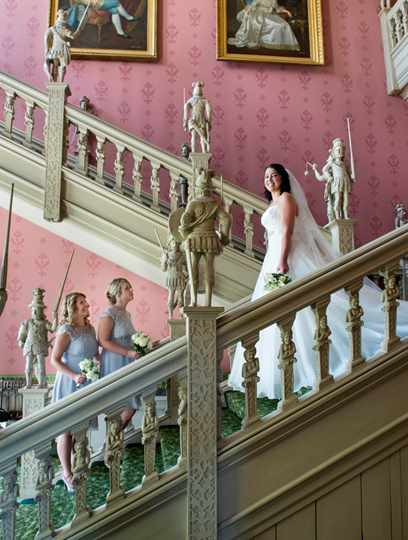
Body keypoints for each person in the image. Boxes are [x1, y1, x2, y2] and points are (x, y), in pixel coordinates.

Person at [228, 164, 408, 399]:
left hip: (288, 258)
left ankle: (313, 362)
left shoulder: (287, 199)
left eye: (274, 175)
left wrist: (282, 261)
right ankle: (288, 367)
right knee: (278, 311)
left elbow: (287, 232)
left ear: (282, 178)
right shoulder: (274, 203)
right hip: (273, 259)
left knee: (303, 309)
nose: (270, 179)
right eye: (266, 176)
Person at [51, 292, 98, 493]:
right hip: (69, 383)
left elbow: (95, 353)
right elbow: (55, 359)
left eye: (85, 301)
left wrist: (99, 364)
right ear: (73, 307)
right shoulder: (66, 330)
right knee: (66, 431)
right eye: (81, 302)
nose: (86, 304)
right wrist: (73, 376)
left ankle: (79, 465)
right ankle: (67, 473)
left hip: (86, 383)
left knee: (81, 428)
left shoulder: (90, 328)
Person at [98, 278, 140, 429]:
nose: (131, 290)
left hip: (128, 360)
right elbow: (103, 341)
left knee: (133, 401)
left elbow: (129, 338)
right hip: (114, 361)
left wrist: (144, 346)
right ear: (117, 293)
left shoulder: (127, 314)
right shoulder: (109, 313)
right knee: (118, 405)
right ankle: (112, 440)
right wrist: (128, 352)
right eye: (127, 288)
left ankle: (114, 438)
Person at [228, 0, 300, 51]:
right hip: (258, 14)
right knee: (275, 24)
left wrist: (286, 11)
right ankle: (268, 41)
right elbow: (252, 6)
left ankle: (284, 43)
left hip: (270, 15)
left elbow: (277, 9)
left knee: (283, 24)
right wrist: (247, 12)